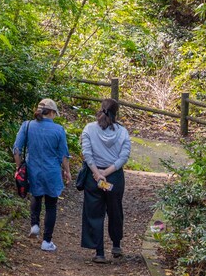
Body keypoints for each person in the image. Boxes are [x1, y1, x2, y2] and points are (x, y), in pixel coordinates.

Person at [13, 98, 71, 252]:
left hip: (33, 171)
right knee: (51, 205)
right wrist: (67, 171)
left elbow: (17, 149)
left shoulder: (27, 126)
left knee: (36, 196)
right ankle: (46, 241)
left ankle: (34, 225)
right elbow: (63, 155)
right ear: (51, 112)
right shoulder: (58, 130)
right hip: (52, 172)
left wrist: (19, 167)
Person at [80, 98, 131, 263]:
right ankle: (116, 245)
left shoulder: (89, 129)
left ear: (101, 110)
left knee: (94, 213)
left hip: (93, 177)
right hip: (114, 176)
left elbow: (87, 153)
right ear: (116, 113)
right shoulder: (122, 132)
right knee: (115, 210)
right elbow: (124, 156)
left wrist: (97, 173)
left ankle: (99, 252)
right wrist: (107, 172)